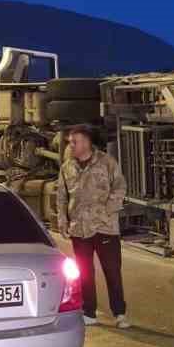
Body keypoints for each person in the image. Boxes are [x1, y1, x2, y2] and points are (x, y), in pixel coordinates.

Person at [56, 124, 129, 328]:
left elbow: (120, 187)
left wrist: (106, 212)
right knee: (85, 273)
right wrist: (63, 220)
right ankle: (89, 312)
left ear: (87, 142)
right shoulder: (67, 167)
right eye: (70, 142)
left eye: (74, 141)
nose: (71, 145)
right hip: (79, 228)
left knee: (112, 272)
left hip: (105, 227)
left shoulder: (106, 162)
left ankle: (120, 313)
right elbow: (61, 196)